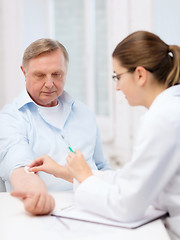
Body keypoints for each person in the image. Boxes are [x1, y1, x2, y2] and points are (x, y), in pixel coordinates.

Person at [28, 31, 180, 240]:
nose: (117, 87)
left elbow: (126, 207)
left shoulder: (162, 119)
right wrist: (69, 172)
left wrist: (84, 176)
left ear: (140, 75)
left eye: (118, 76)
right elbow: (129, 180)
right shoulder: (171, 109)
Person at [0, 38, 111, 215]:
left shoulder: (84, 113)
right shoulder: (12, 118)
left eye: (57, 74)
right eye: (40, 75)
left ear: (66, 71)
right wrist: (36, 194)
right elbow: (20, 168)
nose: (50, 83)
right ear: (24, 72)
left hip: (93, 209)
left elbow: (101, 166)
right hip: (41, 213)